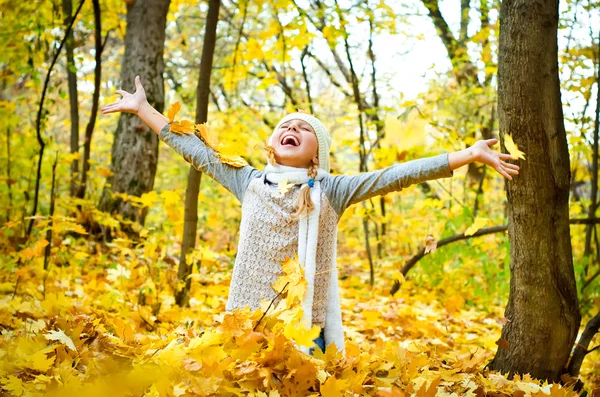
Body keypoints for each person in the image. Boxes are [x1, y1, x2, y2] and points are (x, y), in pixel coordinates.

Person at [101, 76, 520, 356]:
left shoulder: (331, 191)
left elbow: (394, 176)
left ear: (316, 151)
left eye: (303, 130)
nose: (292, 130)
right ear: (272, 143)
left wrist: (467, 155)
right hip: (249, 322)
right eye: (286, 127)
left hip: (306, 328)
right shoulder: (248, 181)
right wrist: (144, 110)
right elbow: (197, 151)